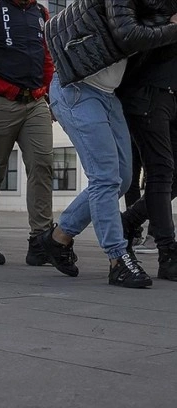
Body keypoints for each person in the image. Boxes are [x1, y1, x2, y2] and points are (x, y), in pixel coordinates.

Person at [41, 0, 177, 288]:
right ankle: (118, 259)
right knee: (104, 177)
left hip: (107, 95)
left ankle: (59, 237)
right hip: (77, 90)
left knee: (123, 178)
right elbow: (129, 34)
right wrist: (174, 27)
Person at [0, 0, 55, 265]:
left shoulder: (40, 12)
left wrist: (49, 94)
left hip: (36, 102)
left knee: (43, 164)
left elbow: (46, 55)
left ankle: (40, 240)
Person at [119, 2, 177, 282]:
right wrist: (171, 25)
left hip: (172, 92)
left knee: (173, 174)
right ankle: (168, 253)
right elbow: (130, 35)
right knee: (161, 170)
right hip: (147, 91)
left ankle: (128, 221)